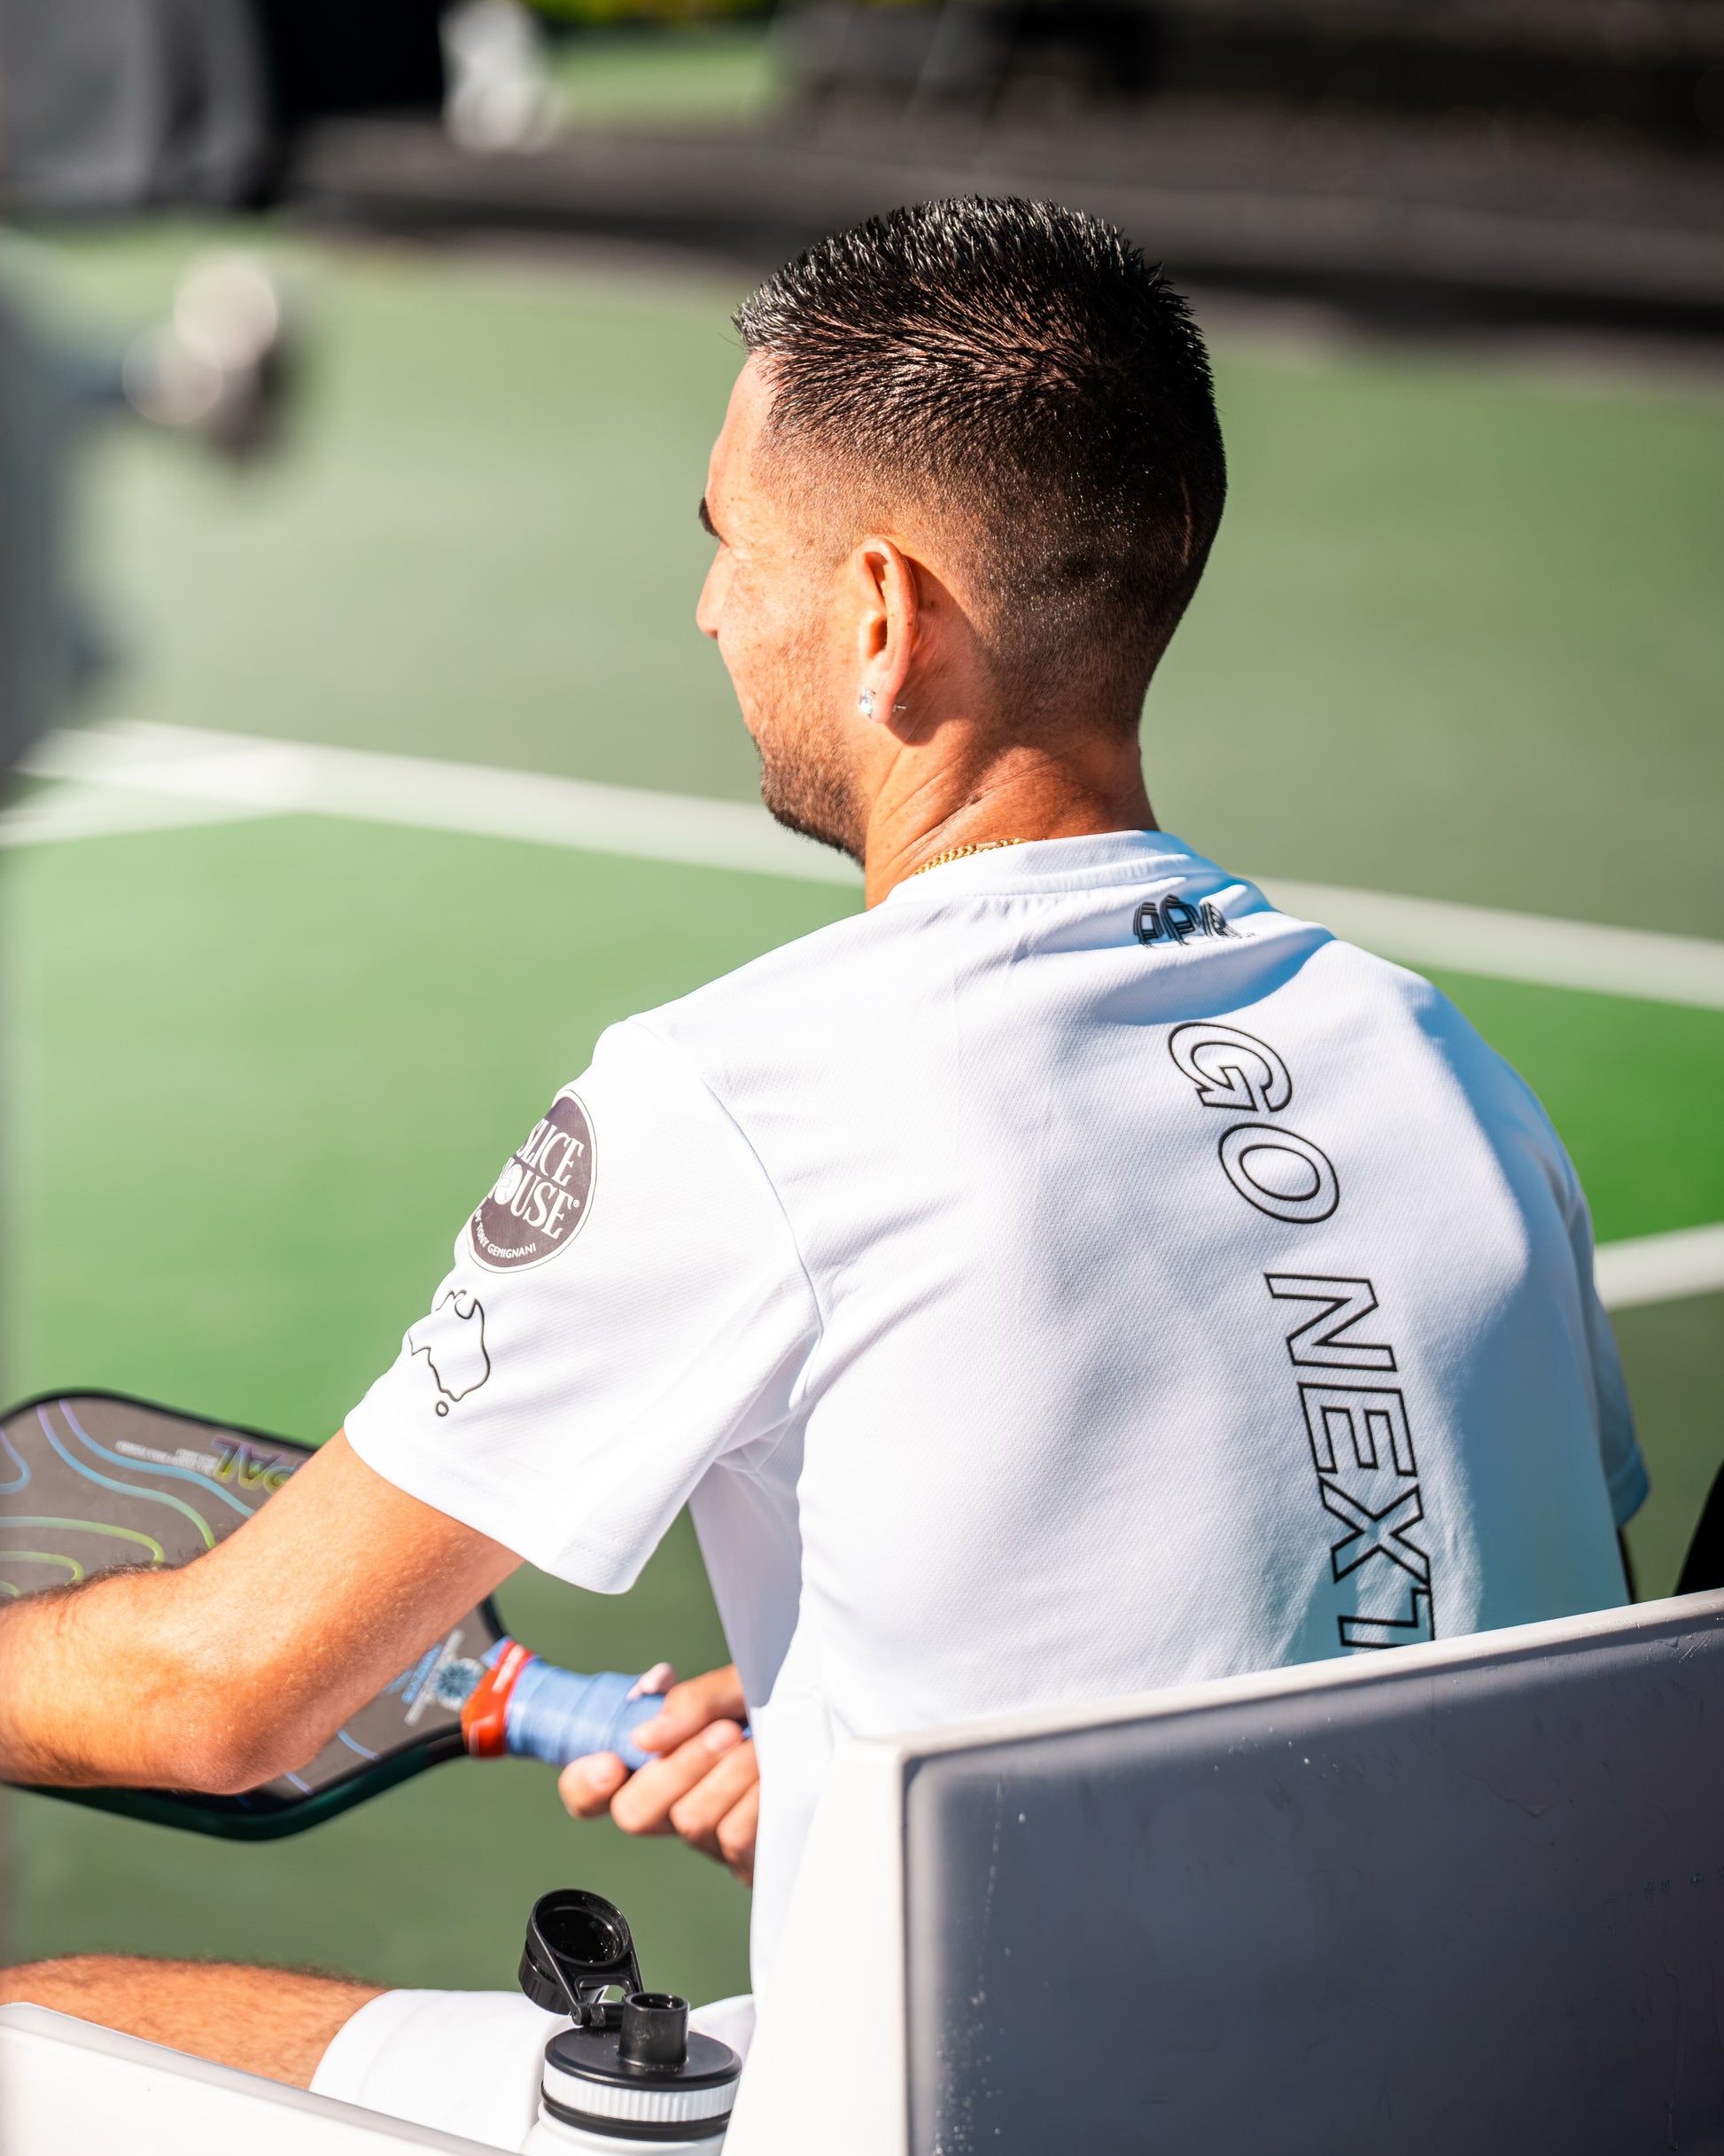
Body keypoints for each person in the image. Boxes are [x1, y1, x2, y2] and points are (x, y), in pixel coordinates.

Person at [0, 198, 1642, 2148]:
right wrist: (860, 1782)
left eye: (725, 541)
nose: (707, 607)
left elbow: (221, 1690)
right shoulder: (1448, 1068)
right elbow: (1492, 1712)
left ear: (880, 614)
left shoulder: (741, 1099)